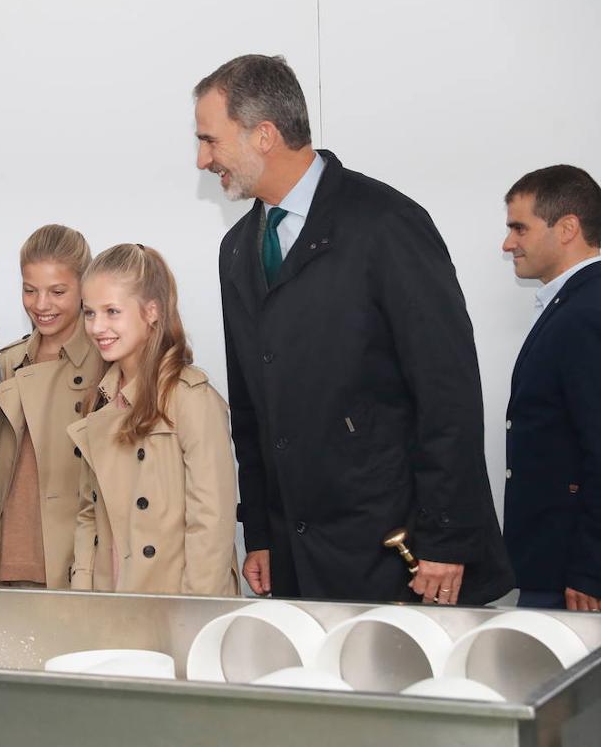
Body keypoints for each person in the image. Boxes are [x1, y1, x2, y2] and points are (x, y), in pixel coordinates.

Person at [194, 54, 513, 605]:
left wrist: (446, 537)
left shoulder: (387, 225)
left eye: (210, 140)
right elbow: (251, 411)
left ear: (264, 134)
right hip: (297, 557)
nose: (202, 159)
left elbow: (448, 392)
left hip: (399, 555)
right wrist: (263, 534)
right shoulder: (238, 249)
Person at [68, 244, 239, 596]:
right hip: (110, 598)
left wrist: (194, 617)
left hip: (175, 601)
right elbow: (89, 514)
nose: (98, 327)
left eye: (112, 311)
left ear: (152, 311)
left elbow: (212, 524)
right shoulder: (100, 401)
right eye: (89, 313)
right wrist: (82, 594)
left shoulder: (192, 399)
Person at [500, 165, 601, 611]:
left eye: (519, 227)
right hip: (557, 567)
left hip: (573, 578)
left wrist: (591, 567)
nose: (508, 244)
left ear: (567, 228)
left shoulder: (587, 312)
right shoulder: (574, 304)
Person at [0, 225, 105, 589]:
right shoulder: (7, 363)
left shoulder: (107, 364)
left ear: (84, 287)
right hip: (5, 558)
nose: (40, 305)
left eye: (57, 291)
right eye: (29, 289)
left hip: (74, 567)